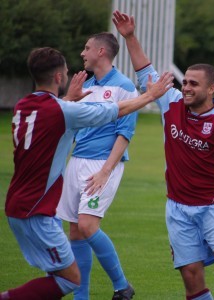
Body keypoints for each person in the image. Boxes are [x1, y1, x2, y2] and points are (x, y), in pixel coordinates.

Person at [112, 10, 214, 300]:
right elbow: (145, 72)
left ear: (211, 89)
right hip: (178, 207)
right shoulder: (170, 102)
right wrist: (131, 37)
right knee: (191, 277)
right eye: (184, 82)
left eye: (193, 84)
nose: (185, 87)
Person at [1, 46, 173, 300]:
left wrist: (69, 99)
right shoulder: (64, 110)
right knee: (69, 278)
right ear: (59, 77)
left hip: (16, 203)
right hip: (36, 208)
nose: (80, 56)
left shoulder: (23, 106)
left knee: (61, 267)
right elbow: (114, 111)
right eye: (66, 71)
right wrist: (151, 95)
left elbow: (55, 116)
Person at [56, 32, 138, 300]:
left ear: (101, 52)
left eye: (87, 48)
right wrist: (71, 97)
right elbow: (63, 120)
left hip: (103, 164)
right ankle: (82, 297)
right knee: (76, 231)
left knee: (88, 225)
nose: (82, 53)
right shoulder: (86, 87)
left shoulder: (125, 87)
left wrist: (105, 171)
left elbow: (124, 134)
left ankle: (122, 286)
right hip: (77, 161)